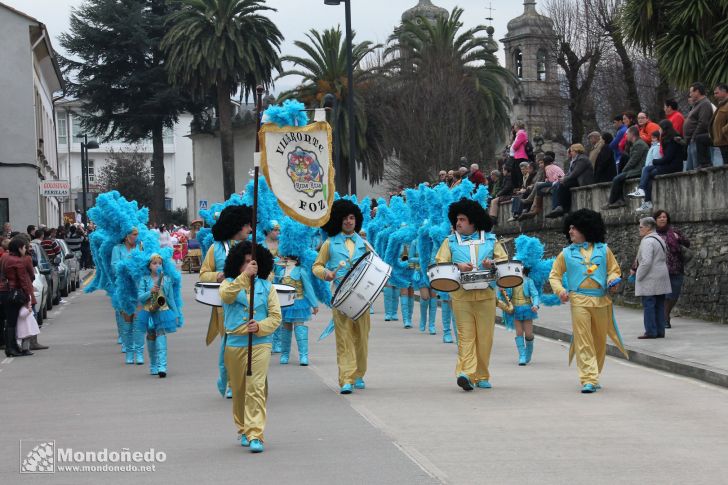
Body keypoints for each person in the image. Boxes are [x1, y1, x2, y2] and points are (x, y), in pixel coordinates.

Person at [548, 209, 628, 393]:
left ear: (585, 228)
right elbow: (554, 275)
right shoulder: (565, 253)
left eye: (573, 228)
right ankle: (588, 378)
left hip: (601, 300)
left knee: (599, 340)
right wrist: (560, 291)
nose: (570, 232)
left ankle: (594, 374)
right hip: (578, 300)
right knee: (583, 339)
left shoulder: (603, 250)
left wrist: (612, 281)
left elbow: (614, 270)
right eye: (569, 228)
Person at [435, 198, 508, 391]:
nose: (457, 223)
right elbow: (440, 264)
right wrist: (457, 266)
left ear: (473, 221)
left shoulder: (491, 240)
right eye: (456, 219)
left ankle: (482, 374)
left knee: (485, 337)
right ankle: (465, 373)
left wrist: (491, 263)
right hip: (461, 297)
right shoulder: (449, 241)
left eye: (462, 219)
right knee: (465, 336)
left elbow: (503, 262)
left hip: (486, 295)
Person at [220, 241, 280, 453]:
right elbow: (226, 296)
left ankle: (256, 434)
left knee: (255, 388)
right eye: (245, 263)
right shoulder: (229, 283)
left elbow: (276, 317)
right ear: (237, 264)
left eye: (252, 263)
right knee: (238, 390)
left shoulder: (267, 287)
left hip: (260, 344)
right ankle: (243, 428)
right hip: (235, 344)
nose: (249, 266)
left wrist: (261, 326)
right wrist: (244, 276)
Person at [313, 199, 372, 394]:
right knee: (344, 338)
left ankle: (359, 374)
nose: (348, 221)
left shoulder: (364, 244)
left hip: (363, 298)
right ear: (338, 220)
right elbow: (317, 266)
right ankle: (346, 378)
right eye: (345, 218)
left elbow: (376, 266)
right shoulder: (329, 244)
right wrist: (326, 274)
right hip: (340, 297)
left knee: (362, 338)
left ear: (357, 220)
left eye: (352, 217)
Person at [199, 205, 253, 398]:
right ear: (237, 226)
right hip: (226, 306)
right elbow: (203, 274)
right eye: (247, 225)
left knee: (251, 345)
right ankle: (230, 383)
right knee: (230, 345)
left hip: (250, 304)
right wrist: (217, 275)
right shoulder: (216, 249)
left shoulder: (252, 247)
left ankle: (248, 382)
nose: (250, 229)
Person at [137, 254, 183, 377]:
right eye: (154, 263)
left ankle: (162, 366)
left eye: (159, 263)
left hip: (163, 312)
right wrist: (150, 291)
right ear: (149, 266)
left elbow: (171, 298)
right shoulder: (145, 279)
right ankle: (153, 364)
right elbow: (140, 298)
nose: (157, 265)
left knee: (161, 336)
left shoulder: (166, 279)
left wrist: (177, 314)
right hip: (149, 312)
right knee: (151, 337)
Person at [629, 120, 686, 213]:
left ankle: (646, 199)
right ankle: (642, 191)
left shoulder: (673, 140)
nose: (659, 130)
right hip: (668, 164)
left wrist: (654, 161)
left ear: (664, 129)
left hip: (673, 166)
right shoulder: (667, 139)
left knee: (651, 173)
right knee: (647, 169)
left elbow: (668, 158)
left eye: (660, 128)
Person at [633, 217, 671, 339]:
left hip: (650, 277)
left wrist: (638, 275)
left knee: (649, 304)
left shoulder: (647, 241)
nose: (639, 229)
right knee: (660, 304)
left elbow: (646, 262)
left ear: (648, 227)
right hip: (661, 275)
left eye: (641, 227)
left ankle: (650, 331)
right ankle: (660, 331)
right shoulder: (659, 238)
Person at [112, 228, 145, 364]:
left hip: (139, 289)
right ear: (126, 236)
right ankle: (129, 352)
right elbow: (114, 266)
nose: (136, 237)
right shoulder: (117, 249)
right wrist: (128, 268)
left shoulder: (140, 247)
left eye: (137, 234)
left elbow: (146, 265)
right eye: (134, 234)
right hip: (124, 289)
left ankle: (139, 352)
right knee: (127, 323)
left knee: (138, 323)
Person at [653, 210, 690, 328]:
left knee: (674, 294)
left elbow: (687, 243)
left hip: (676, 267)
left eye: (664, 217)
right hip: (660, 269)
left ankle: (666, 314)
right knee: (665, 295)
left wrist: (678, 238)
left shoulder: (674, 232)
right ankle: (665, 318)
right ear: (656, 220)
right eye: (660, 217)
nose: (663, 219)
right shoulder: (653, 234)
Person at [1, 236, 36, 357]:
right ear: (20, 248)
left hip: (4, 292)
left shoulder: (5, 257)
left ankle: (11, 347)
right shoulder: (18, 261)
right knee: (12, 322)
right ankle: (12, 348)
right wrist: (27, 297)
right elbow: (23, 281)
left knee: (8, 321)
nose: (25, 249)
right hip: (13, 292)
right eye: (24, 247)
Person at [602, 126, 648, 209]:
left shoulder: (639, 144)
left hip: (639, 170)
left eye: (627, 134)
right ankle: (620, 200)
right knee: (619, 178)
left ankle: (611, 202)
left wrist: (624, 170)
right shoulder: (636, 144)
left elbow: (633, 161)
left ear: (632, 134)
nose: (626, 136)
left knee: (617, 178)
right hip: (636, 169)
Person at [545, 144, 594, 218]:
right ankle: (559, 207)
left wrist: (564, 179)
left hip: (583, 181)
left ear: (576, 151)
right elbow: (569, 173)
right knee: (560, 184)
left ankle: (563, 208)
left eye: (571, 151)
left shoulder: (582, 159)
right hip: (576, 180)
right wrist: (563, 178)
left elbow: (575, 173)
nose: (570, 153)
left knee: (564, 184)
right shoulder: (575, 160)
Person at [509, 269, 540, 366]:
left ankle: (528, 352)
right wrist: (502, 290)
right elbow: (507, 295)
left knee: (528, 334)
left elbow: (535, 294)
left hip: (527, 308)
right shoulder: (511, 281)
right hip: (516, 309)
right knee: (518, 332)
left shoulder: (528, 281)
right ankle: (522, 355)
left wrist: (535, 305)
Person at [519, 153, 563, 220]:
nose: (540, 165)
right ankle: (534, 209)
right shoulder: (549, 168)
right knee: (538, 189)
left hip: (556, 183)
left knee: (537, 185)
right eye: (539, 163)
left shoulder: (548, 168)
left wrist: (546, 183)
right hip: (555, 182)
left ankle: (531, 204)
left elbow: (552, 179)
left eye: (541, 163)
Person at [684, 82, 714, 170]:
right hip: (692, 141)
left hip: (697, 140)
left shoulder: (705, 104)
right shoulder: (697, 104)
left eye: (691, 92)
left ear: (697, 91)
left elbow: (703, 123)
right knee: (690, 169)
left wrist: (693, 137)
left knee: (697, 169)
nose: (690, 94)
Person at [710, 83, 728, 164]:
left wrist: (723, 131)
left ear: (724, 92)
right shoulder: (722, 105)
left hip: (725, 140)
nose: (715, 95)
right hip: (722, 142)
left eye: (717, 93)